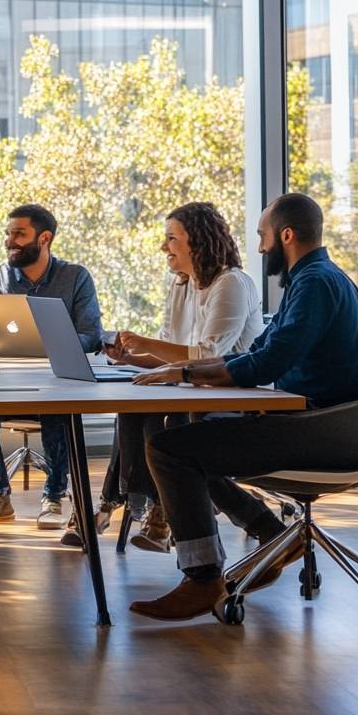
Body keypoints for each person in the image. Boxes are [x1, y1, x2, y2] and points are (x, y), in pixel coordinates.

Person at [127, 193, 358, 622]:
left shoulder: (315, 283)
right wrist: (183, 367)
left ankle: (204, 578)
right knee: (174, 437)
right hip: (324, 422)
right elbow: (261, 349)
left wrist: (185, 374)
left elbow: (267, 364)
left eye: (263, 236)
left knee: (172, 450)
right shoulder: (314, 279)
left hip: (324, 431)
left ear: (285, 235)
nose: (260, 247)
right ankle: (267, 532)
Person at [61, 202, 263, 550]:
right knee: (135, 402)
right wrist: (131, 356)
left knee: (157, 414)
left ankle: (123, 505)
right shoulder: (182, 286)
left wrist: (147, 344)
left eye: (171, 238)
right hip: (190, 390)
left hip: (232, 398)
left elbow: (207, 356)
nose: (163, 247)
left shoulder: (232, 284)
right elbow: (169, 354)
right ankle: (154, 509)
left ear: (196, 241)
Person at [0, 203, 103, 528]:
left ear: (44, 238)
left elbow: (91, 335)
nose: (9, 241)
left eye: (19, 234)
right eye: (8, 234)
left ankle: (55, 497)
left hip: (55, 384)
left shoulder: (75, 277)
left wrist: (58, 343)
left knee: (58, 408)